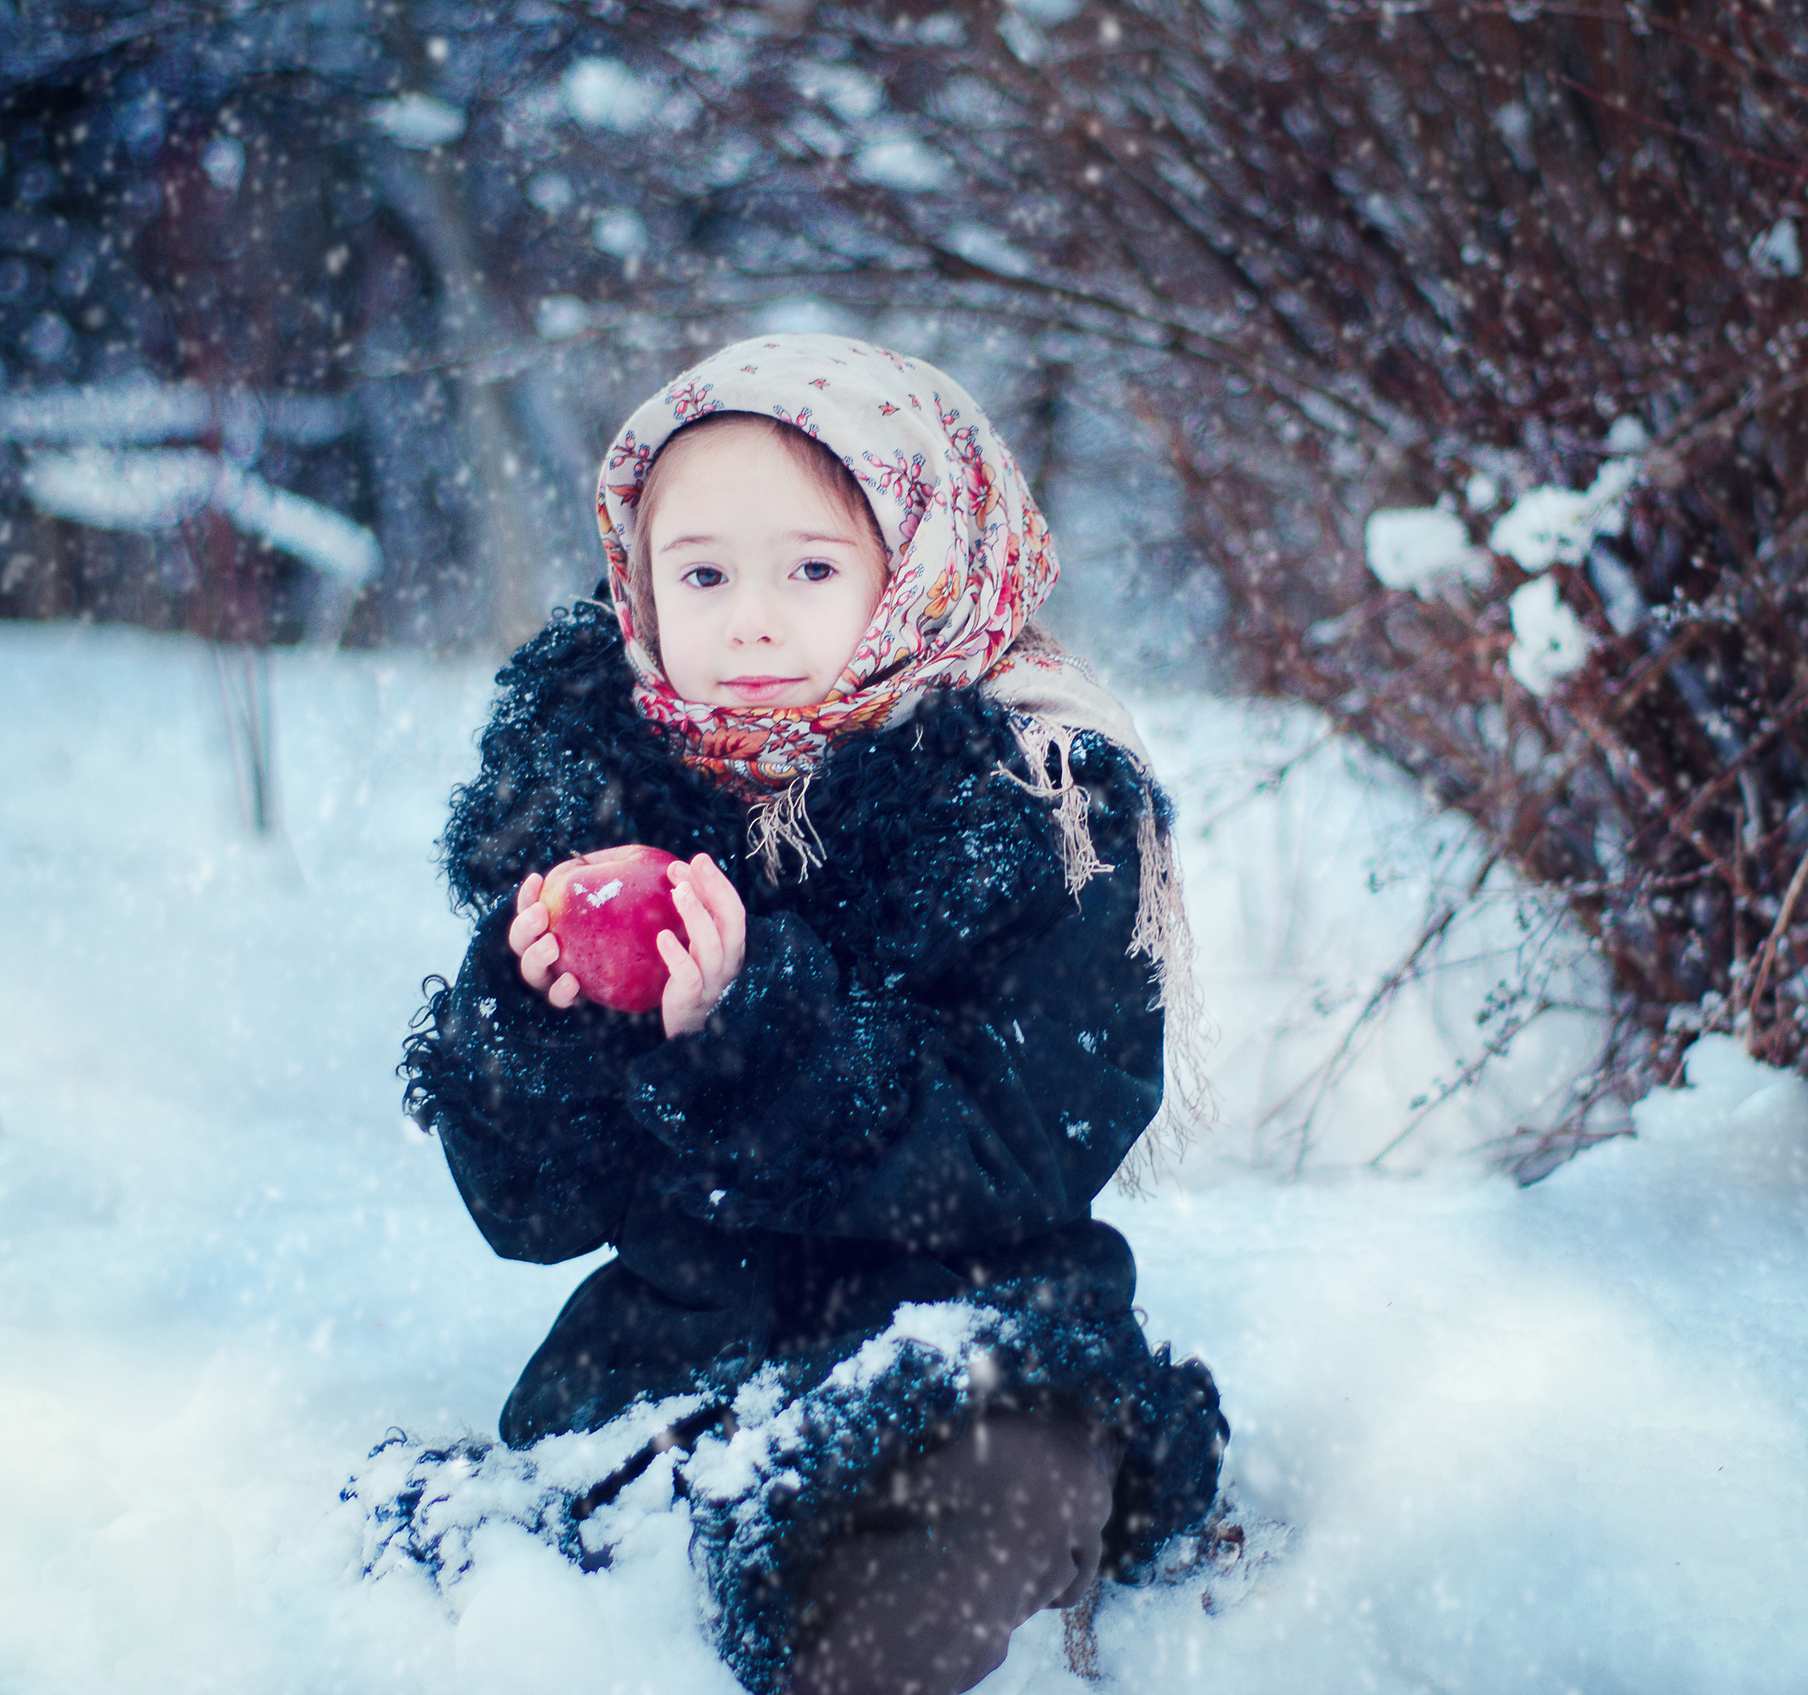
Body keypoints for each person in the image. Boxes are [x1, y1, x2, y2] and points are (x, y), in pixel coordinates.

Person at [399, 333, 1226, 1695]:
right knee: (568, 1581)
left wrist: (760, 1030)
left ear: (919, 568)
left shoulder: (1040, 804)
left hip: (966, 1339)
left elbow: (1024, 1150)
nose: (753, 620)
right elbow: (530, 1221)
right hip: (680, 1344)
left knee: (941, 1534)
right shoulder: (607, 793)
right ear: (640, 586)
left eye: (813, 569)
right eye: (705, 573)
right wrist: (532, 1021)